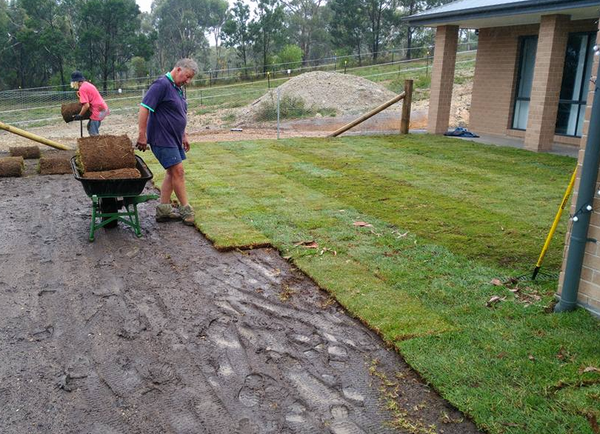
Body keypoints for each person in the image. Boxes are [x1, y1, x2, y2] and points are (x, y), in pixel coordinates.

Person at [136, 58, 198, 226]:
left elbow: (179, 113)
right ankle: (186, 210)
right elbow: (144, 107)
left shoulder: (177, 88)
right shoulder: (161, 85)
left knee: (172, 173)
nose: (188, 81)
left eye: (190, 78)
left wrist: (183, 134)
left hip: (174, 138)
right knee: (178, 171)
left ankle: (163, 211)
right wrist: (142, 135)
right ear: (178, 69)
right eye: (186, 76)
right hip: (161, 138)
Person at [70, 71, 109, 136]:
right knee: (90, 127)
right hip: (103, 109)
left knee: (93, 133)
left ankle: (98, 144)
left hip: (98, 111)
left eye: (73, 82)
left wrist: (80, 115)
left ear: (77, 81)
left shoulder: (82, 88)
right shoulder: (86, 84)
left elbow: (86, 105)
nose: (73, 84)